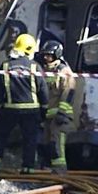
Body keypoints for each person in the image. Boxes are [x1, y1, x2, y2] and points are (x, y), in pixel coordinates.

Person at [0, 33, 48, 174]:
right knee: (30, 139)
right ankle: (27, 167)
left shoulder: (5, 66)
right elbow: (43, 90)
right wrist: (44, 108)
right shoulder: (35, 67)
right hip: (32, 111)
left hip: (10, 109)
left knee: (1, 136)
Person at [39, 41, 83, 174]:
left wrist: (62, 113)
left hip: (60, 116)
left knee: (56, 143)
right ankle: (48, 170)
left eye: (49, 56)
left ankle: (60, 171)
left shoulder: (64, 71)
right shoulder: (46, 71)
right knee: (46, 144)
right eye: (45, 55)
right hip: (48, 116)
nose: (46, 58)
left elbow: (69, 92)